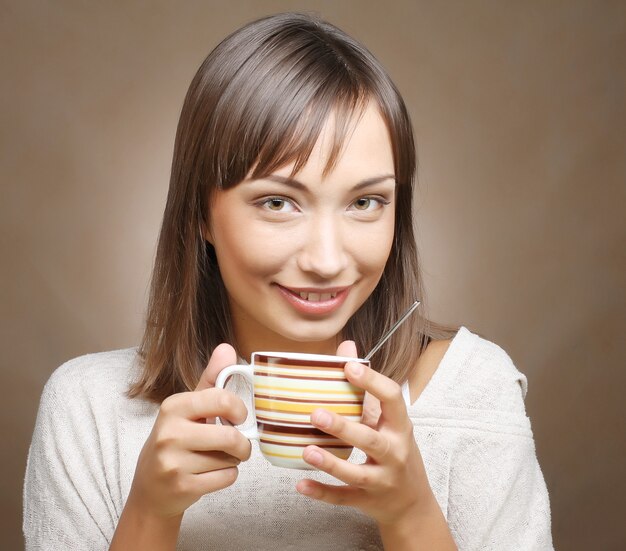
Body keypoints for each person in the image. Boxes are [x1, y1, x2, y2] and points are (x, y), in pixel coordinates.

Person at [23, 12, 553, 551]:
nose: (326, 260)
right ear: (200, 213)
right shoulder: (86, 409)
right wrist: (150, 514)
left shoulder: (471, 390)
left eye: (365, 202)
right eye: (278, 203)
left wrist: (412, 514)